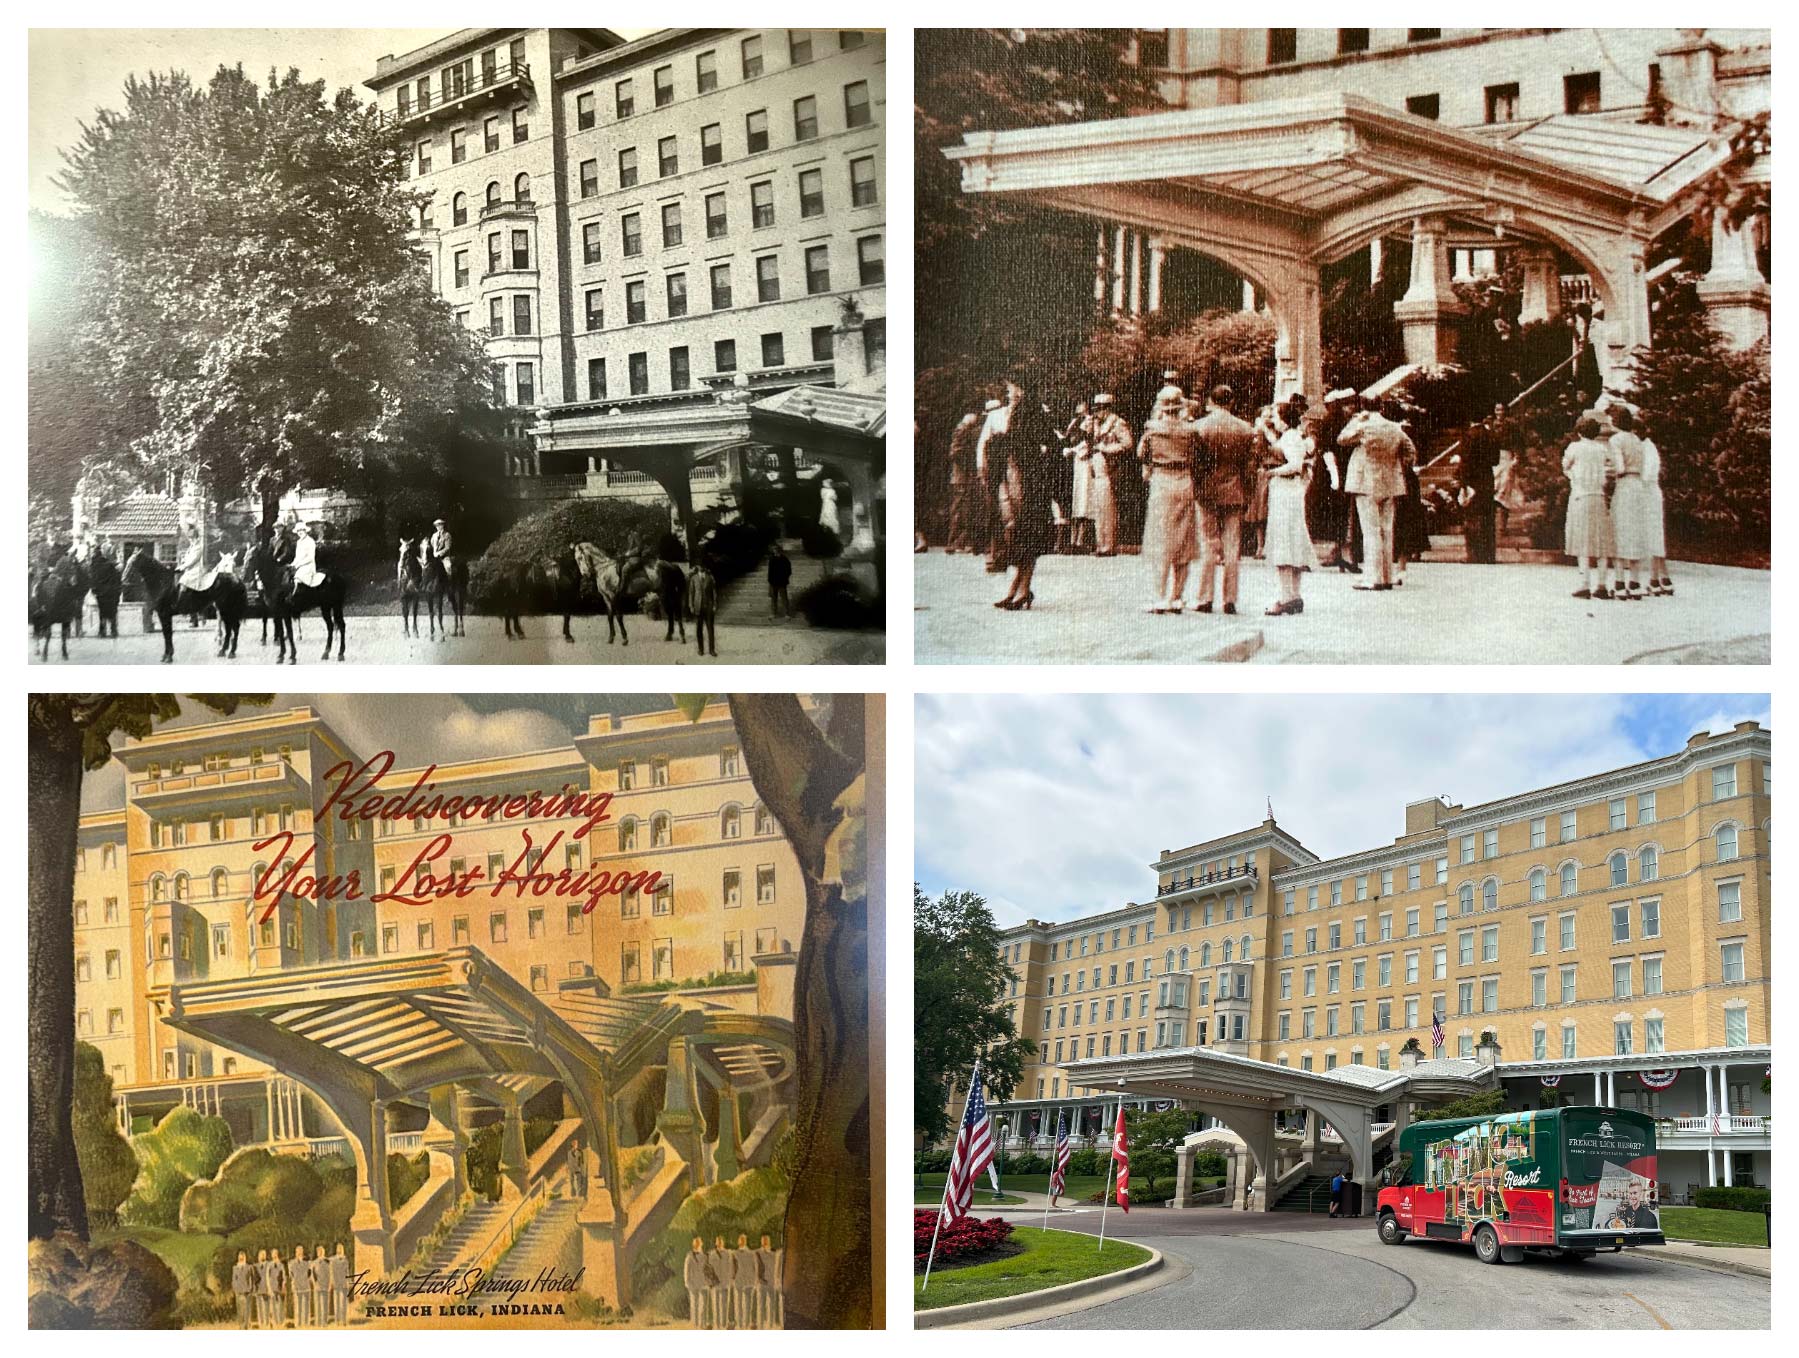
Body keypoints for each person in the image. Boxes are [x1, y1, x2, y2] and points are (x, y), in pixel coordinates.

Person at [1190, 384, 1258, 615]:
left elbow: (1195, 465)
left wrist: (1198, 489)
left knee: (1208, 543)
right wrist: (1248, 494)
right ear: (1231, 402)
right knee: (1232, 546)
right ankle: (1230, 598)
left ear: (1212, 401)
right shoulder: (1245, 429)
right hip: (1235, 490)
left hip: (1208, 492)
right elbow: (1250, 468)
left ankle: (1205, 597)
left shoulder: (1199, 428)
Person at [988, 380, 1056, 610]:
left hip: (1029, 483)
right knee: (1019, 536)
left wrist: (1003, 439)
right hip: (1016, 477)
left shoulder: (1032, 411)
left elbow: (1045, 443)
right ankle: (1019, 589)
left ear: (1021, 388)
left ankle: (1021, 589)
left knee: (1026, 536)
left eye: (1011, 388)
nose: (1008, 391)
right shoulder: (1017, 411)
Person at [1136, 385, 1200, 613]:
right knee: (1184, 541)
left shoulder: (1152, 430)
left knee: (1160, 539)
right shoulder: (1190, 431)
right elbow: (1198, 458)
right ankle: (1177, 596)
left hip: (1162, 483)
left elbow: (1141, 454)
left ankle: (1159, 595)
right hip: (1184, 482)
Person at [1341, 399, 1414, 592]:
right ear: (1381, 407)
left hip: (1366, 481)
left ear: (1363, 407)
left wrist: (1356, 420)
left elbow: (1342, 439)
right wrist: (1397, 466)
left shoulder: (1363, 426)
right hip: (1390, 481)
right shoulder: (1394, 427)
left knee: (1371, 530)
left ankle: (1372, 577)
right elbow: (1410, 450)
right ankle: (1387, 575)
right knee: (1387, 529)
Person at [1261, 393, 1319, 615]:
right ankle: (1293, 595)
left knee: (1285, 538)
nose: (1274, 420)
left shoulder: (1292, 438)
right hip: (1288, 491)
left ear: (1285, 419)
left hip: (1286, 492)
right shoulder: (1290, 436)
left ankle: (1287, 596)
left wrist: (1271, 472)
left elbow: (1295, 465)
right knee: (1291, 538)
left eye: (1276, 416)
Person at [1562, 416, 1616, 599]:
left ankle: (1584, 583)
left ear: (1579, 431)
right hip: (1598, 496)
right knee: (1601, 540)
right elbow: (1610, 469)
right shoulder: (1602, 449)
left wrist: (1572, 476)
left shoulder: (1574, 448)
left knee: (1582, 539)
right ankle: (1602, 585)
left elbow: (1565, 466)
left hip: (1580, 496)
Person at [1607, 405, 1651, 601]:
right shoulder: (1637, 440)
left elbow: (1620, 467)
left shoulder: (1616, 440)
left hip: (1624, 486)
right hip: (1638, 486)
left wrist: (1608, 469)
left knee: (1620, 530)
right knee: (1635, 531)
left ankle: (1619, 582)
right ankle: (1635, 582)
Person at [1459, 404, 1505, 564]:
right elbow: (1495, 460)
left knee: (1472, 516)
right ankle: (1488, 554)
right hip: (1487, 477)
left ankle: (1474, 554)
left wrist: (1463, 483)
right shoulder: (1491, 435)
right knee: (1487, 517)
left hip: (1472, 479)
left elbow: (1465, 461)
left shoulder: (1468, 436)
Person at [1086, 394, 1132, 555]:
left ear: (1107, 409)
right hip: (1098, 468)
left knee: (1108, 507)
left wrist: (1106, 449)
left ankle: (1108, 545)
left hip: (1110, 468)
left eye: (1100, 409)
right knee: (1099, 507)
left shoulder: (1117, 423)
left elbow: (1127, 444)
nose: (1097, 413)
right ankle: (1101, 544)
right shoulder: (1097, 424)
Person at [974, 395, 1010, 571]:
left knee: (1008, 514)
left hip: (1012, 471)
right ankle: (996, 554)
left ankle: (1004, 554)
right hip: (996, 471)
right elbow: (982, 446)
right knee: (995, 512)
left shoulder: (1018, 415)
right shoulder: (995, 417)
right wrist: (982, 470)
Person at [1638, 414, 1672, 596]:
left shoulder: (1647, 449)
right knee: (1654, 535)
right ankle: (1663, 578)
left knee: (1653, 535)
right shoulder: (1646, 447)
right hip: (1649, 493)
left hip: (1649, 493)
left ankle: (1654, 579)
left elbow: (1647, 475)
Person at [944, 409, 983, 553]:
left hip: (961, 477)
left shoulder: (963, 429)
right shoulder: (962, 430)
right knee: (960, 510)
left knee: (963, 510)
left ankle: (958, 542)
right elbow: (955, 452)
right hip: (962, 477)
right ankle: (955, 543)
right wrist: (970, 464)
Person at [732, 1233, 758, 1330]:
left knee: (743, 1304)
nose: (741, 1241)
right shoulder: (736, 1253)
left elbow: (755, 1268)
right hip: (742, 1281)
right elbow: (733, 1268)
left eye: (742, 1240)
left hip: (745, 1281)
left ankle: (743, 1325)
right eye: (740, 1239)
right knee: (742, 1304)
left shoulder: (750, 1254)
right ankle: (742, 1325)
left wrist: (755, 1281)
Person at [685, 1236, 711, 1328]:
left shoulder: (704, 1256)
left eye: (699, 1243)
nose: (700, 1244)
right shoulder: (689, 1256)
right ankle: (695, 1324)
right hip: (693, 1284)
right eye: (698, 1243)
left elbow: (707, 1271)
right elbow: (687, 1271)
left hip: (703, 1284)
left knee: (703, 1305)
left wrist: (709, 1282)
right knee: (694, 1305)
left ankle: (702, 1324)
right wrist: (687, 1282)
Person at [757, 1233, 783, 1328]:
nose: (764, 1242)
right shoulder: (758, 1253)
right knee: (761, 1305)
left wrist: (776, 1281)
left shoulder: (774, 1253)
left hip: (771, 1282)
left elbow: (776, 1268)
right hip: (762, 1283)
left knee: (771, 1305)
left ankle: (771, 1324)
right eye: (763, 1240)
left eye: (766, 1240)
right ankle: (760, 1326)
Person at [290, 522, 325, 590]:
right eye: (298, 531)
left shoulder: (310, 541)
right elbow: (297, 557)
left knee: (298, 578)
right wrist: (292, 564)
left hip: (308, 565)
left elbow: (310, 558)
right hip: (298, 565)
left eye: (301, 530)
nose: (300, 532)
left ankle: (295, 596)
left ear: (305, 531)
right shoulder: (298, 542)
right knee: (287, 576)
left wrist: (299, 564)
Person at [708, 1235, 734, 1328]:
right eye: (717, 1241)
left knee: (724, 1305)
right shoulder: (711, 1254)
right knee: (716, 1305)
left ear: (723, 1242)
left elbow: (731, 1268)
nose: (719, 1243)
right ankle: (717, 1325)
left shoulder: (728, 1253)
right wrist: (710, 1281)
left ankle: (723, 1324)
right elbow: (709, 1270)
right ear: (716, 1243)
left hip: (725, 1282)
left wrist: (730, 1280)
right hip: (715, 1283)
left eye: (720, 1241)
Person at [766, 542, 793, 618]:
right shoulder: (772, 559)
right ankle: (773, 613)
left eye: (776, 549)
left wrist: (784, 578)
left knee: (784, 598)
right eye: (774, 549)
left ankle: (787, 614)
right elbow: (770, 571)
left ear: (779, 550)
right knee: (774, 599)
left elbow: (789, 570)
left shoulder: (784, 559)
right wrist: (770, 581)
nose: (775, 550)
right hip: (773, 582)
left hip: (782, 582)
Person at [257, 1247, 282, 1329]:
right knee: (260, 1308)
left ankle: (269, 1323)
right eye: (261, 1255)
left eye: (264, 1254)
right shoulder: (256, 1266)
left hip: (267, 1288)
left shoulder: (269, 1264)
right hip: (259, 1289)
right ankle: (261, 1323)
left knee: (269, 1308)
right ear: (258, 1256)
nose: (263, 1256)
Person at [287, 1244, 311, 1326]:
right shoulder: (291, 1263)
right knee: (298, 1306)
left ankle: (306, 1322)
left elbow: (309, 1274)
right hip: (297, 1286)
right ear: (295, 1252)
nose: (300, 1253)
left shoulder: (307, 1263)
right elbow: (291, 1275)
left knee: (306, 1306)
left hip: (306, 1286)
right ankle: (298, 1323)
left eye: (301, 1251)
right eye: (298, 1251)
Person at [232, 1250, 256, 1327]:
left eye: (242, 1258)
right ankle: (241, 1325)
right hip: (238, 1291)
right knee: (239, 1309)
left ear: (245, 1258)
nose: (241, 1259)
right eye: (240, 1258)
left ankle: (246, 1325)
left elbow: (252, 1279)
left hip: (247, 1291)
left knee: (246, 1309)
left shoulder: (249, 1267)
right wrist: (235, 1289)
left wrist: (250, 1289)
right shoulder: (235, 1268)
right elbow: (234, 1279)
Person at [309, 1245, 330, 1328]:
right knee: (317, 1304)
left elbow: (330, 1274)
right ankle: (318, 1322)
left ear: (323, 1252)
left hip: (325, 1285)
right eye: (318, 1251)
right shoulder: (314, 1263)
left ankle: (324, 1322)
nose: (320, 1253)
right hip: (317, 1286)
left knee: (325, 1304)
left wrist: (329, 1284)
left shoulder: (328, 1262)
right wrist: (314, 1284)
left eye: (321, 1251)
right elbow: (311, 1274)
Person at [330, 1242, 350, 1326]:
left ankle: (344, 1320)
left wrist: (348, 1282)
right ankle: (337, 1320)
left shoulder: (345, 1260)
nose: (340, 1250)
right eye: (338, 1248)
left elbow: (347, 1272)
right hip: (336, 1283)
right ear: (336, 1249)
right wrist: (332, 1282)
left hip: (344, 1283)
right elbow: (331, 1272)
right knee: (337, 1302)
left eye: (341, 1248)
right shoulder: (333, 1260)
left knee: (344, 1303)